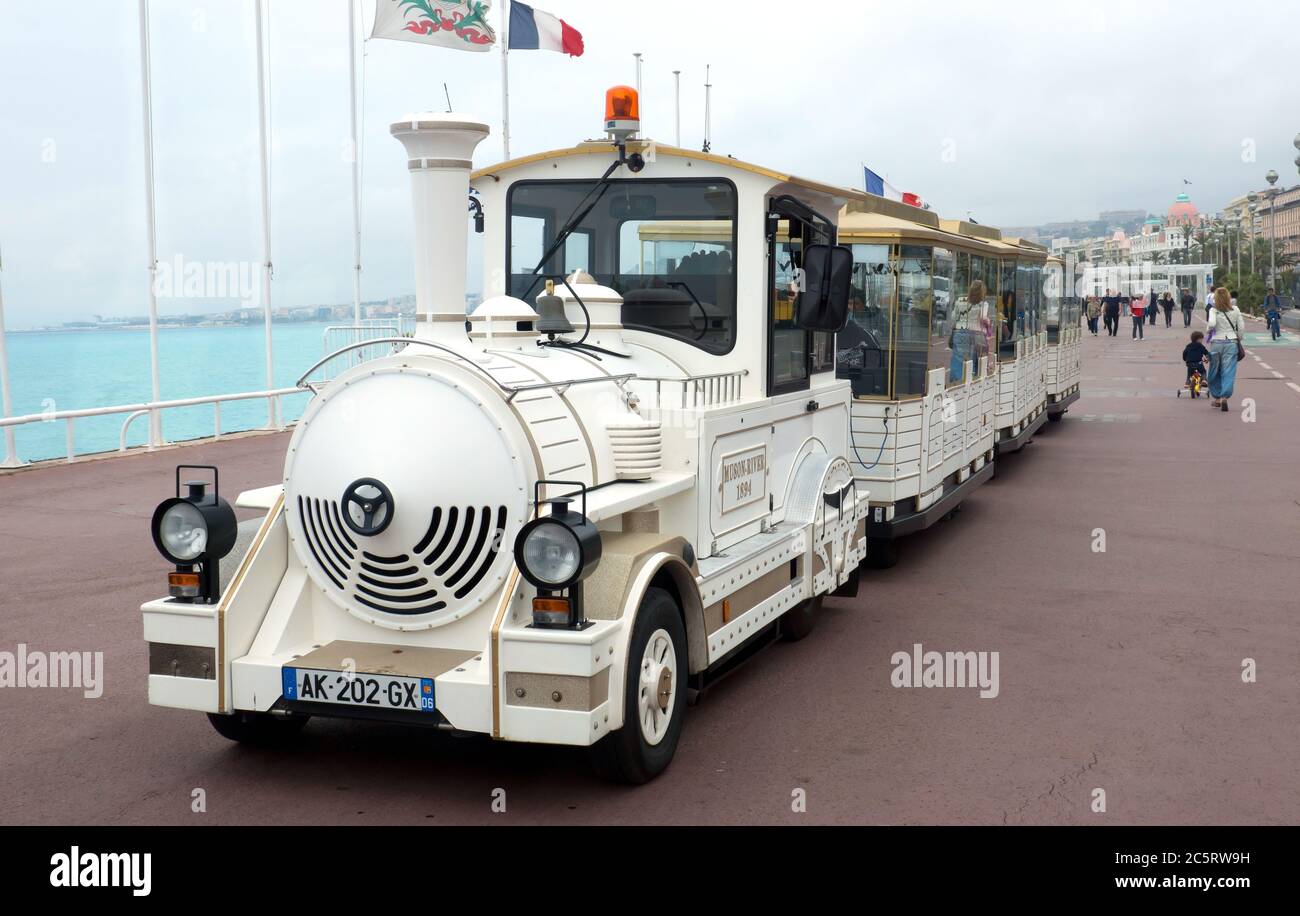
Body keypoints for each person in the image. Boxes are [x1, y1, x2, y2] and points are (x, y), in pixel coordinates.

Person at [1206, 287, 1243, 411]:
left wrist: (1208, 330)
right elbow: (1241, 328)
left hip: (1217, 342)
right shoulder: (1236, 310)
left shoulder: (1213, 310)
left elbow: (1211, 324)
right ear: (1228, 297)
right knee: (1228, 370)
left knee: (1214, 370)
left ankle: (1216, 397)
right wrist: (1239, 339)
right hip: (1231, 342)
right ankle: (1224, 397)